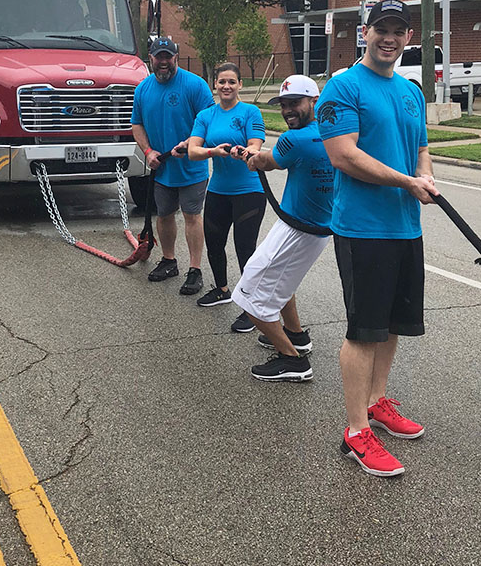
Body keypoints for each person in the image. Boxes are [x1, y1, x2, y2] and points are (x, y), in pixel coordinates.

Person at [315, 0, 438, 478]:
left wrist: (424, 176)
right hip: (363, 229)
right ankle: (355, 430)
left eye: (398, 30)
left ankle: (377, 401)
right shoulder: (342, 88)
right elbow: (343, 156)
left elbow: (421, 147)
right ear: (364, 32)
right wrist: (407, 182)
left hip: (406, 225)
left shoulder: (410, 93)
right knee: (363, 330)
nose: (390, 38)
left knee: (390, 326)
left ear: (409, 37)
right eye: (381, 29)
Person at [231, 75, 334, 381]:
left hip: (297, 230)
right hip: (312, 228)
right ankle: (297, 335)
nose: (289, 110)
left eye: (295, 104)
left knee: (248, 295)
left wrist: (248, 156)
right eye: (284, 105)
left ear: (313, 102)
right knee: (282, 283)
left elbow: (267, 161)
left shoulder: (295, 140)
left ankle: (292, 361)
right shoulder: (329, 133)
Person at [131, 37, 215, 295]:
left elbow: (211, 121)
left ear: (176, 57)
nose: (164, 62)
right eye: (159, 57)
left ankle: (195, 269)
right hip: (162, 168)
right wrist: (147, 151)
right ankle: (169, 261)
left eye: (169, 56)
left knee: (192, 216)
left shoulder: (195, 86)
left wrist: (191, 144)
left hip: (191, 167)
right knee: (164, 215)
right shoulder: (143, 89)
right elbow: (137, 124)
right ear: (151, 58)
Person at [187, 62, 266, 333]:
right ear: (215, 85)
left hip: (249, 191)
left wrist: (245, 149)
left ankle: (251, 308)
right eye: (222, 82)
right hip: (218, 190)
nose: (226, 87)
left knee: (245, 249)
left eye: (232, 81)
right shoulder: (206, 115)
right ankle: (222, 289)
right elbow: (193, 150)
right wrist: (214, 152)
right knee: (214, 244)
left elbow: (256, 144)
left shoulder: (250, 111)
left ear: (240, 85)